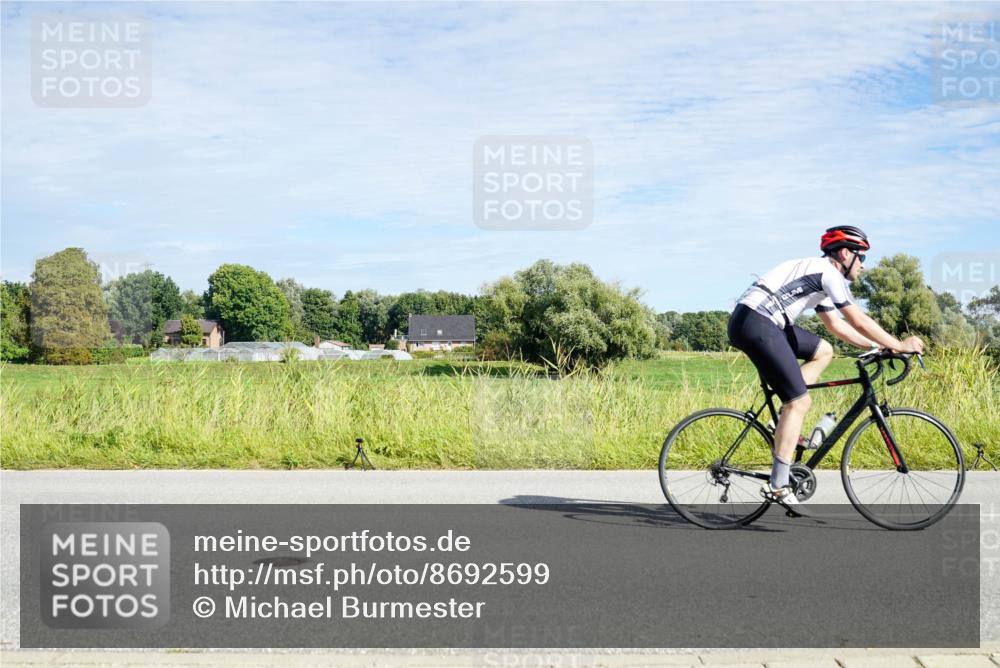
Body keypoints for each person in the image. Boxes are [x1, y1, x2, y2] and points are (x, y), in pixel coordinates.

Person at [727, 225, 924, 507]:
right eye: (863, 258)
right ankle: (778, 485)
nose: (864, 267)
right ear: (845, 253)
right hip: (757, 322)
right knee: (799, 402)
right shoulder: (829, 273)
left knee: (823, 351)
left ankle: (782, 419)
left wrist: (877, 347)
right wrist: (899, 344)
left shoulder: (822, 277)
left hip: (759, 321)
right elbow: (858, 320)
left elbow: (837, 326)